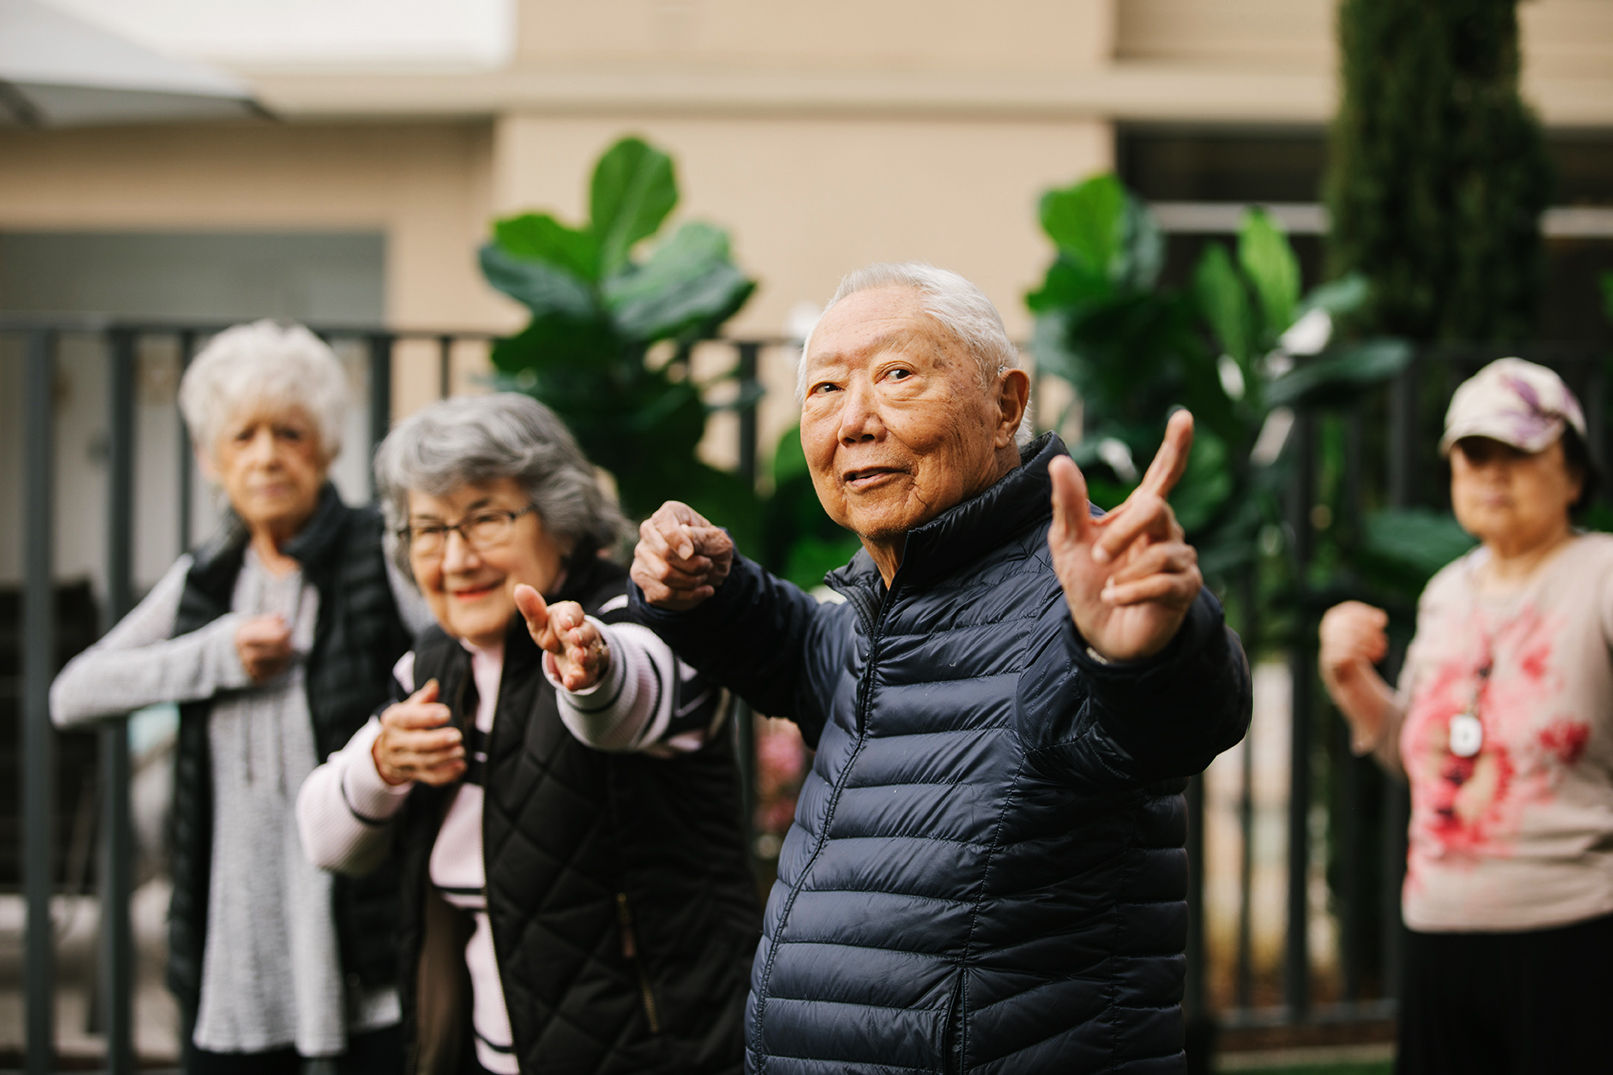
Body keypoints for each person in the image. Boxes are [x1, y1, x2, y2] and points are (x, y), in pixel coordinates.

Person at [629, 262, 1252, 1072]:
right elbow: (801, 652)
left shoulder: (1084, 583)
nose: (854, 420)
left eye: (895, 375)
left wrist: (1144, 647)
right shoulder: (885, 602)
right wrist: (708, 588)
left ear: (1005, 405)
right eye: (823, 389)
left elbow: (1174, 720)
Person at [296, 392, 760, 1075]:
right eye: (428, 528)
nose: (455, 558)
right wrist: (379, 762)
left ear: (563, 518)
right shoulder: (431, 663)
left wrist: (590, 669)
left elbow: (632, 687)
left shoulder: (638, 615)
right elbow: (324, 839)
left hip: (665, 1049)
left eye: (485, 518)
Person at [50, 320, 420, 1073]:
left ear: (327, 447)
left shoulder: (377, 551)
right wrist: (212, 654)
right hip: (230, 950)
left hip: (360, 936)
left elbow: (448, 656)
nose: (265, 455)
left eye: (289, 431)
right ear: (209, 459)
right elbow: (73, 694)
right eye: (241, 435)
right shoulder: (205, 580)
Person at [1318, 357, 1613, 1074]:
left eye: (1517, 452)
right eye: (1473, 454)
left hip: (1576, 938)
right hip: (1438, 935)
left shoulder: (1601, 576)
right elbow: (1416, 755)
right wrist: (1346, 676)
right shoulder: (1445, 593)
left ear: (1572, 474)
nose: (1492, 472)